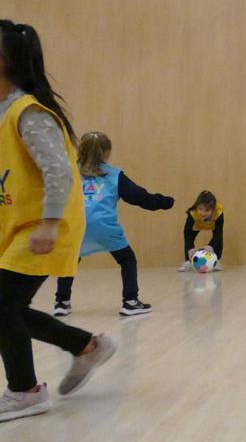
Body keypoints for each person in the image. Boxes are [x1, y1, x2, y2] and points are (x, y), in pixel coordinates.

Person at [0, 20, 116, 423]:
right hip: (20, 227)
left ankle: (25, 392)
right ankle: (86, 346)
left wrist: (49, 224)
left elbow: (59, 172)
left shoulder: (29, 112)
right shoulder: (4, 111)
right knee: (9, 308)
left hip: (46, 227)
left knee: (2, 306)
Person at [53, 131, 174, 317]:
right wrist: (164, 202)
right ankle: (130, 301)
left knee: (70, 260)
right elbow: (139, 197)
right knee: (127, 259)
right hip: (104, 226)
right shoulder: (114, 174)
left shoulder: (69, 171)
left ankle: (62, 302)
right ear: (106, 153)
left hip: (75, 225)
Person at [178, 190, 224, 271]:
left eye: (207, 210)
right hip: (197, 225)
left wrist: (211, 246)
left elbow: (218, 233)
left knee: (219, 238)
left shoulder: (218, 213)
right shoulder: (192, 214)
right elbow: (187, 233)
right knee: (189, 238)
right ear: (196, 207)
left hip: (212, 224)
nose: (203, 213)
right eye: (200, 209)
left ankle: (216, 261)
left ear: (213, 210)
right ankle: (188, 261)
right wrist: (189, 248)